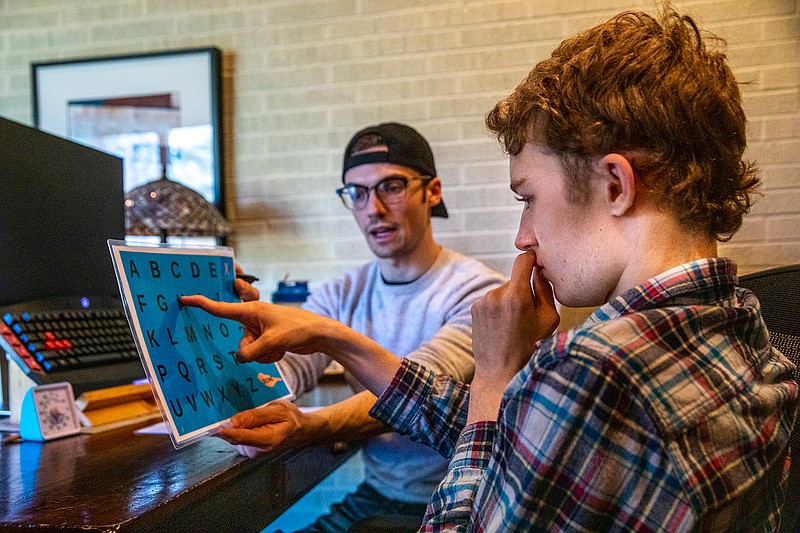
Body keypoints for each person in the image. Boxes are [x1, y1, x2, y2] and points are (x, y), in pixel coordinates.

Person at [184, 7, 799, 532]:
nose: (522, 234)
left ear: (615, 184)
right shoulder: (747, 322)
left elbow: (472, 478)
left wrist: (495, 379)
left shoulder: (592, 369)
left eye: (528, 197)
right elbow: (518, 434)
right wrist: (328, 335)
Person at [226, 122, 506, 532]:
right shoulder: (343, 292)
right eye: (356, 193)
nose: (372, 209)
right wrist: (237, 339)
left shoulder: (480, 293)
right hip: (377, 493)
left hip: (462, 504)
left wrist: (310, 427)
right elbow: (282, 376)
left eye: (391, 187)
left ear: (433, 192)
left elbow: (417, 387)